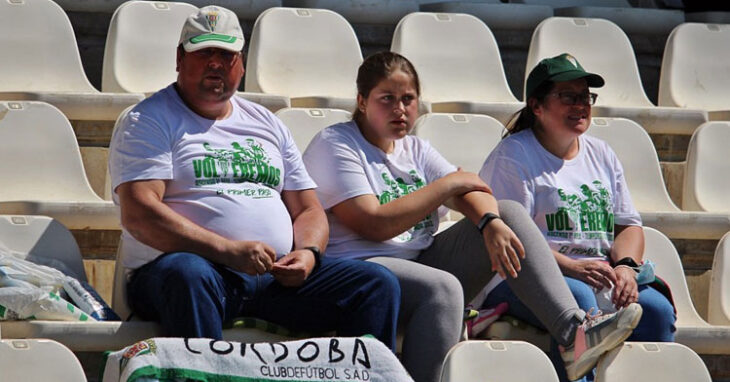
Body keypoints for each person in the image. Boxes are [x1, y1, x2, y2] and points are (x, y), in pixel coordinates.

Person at [302, 51, 643, 382]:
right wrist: (446, 185)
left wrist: (490, 223)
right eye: (386, 98)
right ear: (362, 101)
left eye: (408, 99)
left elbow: (474, 191)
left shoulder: (416, 149)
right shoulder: (337, 143)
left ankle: (574, 333)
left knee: (506, 213)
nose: (400, 109)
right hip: (363, 263)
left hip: (421, 258)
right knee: (445, 287)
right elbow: (374, 223)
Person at [108, 6, 401, 351]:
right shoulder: (148, 119)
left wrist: (308, 254)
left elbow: (308, 209)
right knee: (188, 273)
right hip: (184, 273)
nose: (215, 63)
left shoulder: (267, 122)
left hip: (270, 276)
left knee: (376, 284)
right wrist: (226, 251)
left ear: (241, 63)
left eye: (226, 55)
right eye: (204, 52)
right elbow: (141, 214)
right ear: (179, 59)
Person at [479, 53, 676, 381]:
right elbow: (510, 238)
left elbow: (627, 225)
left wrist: (626, 266)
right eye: (568, 96)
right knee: (579, 299)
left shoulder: (601, 153)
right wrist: (571, 267)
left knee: (655, 309)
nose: (581, 105)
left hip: (596, 275)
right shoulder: (514, 156)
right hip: (523, 278)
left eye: (586, 97)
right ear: (537, 106)